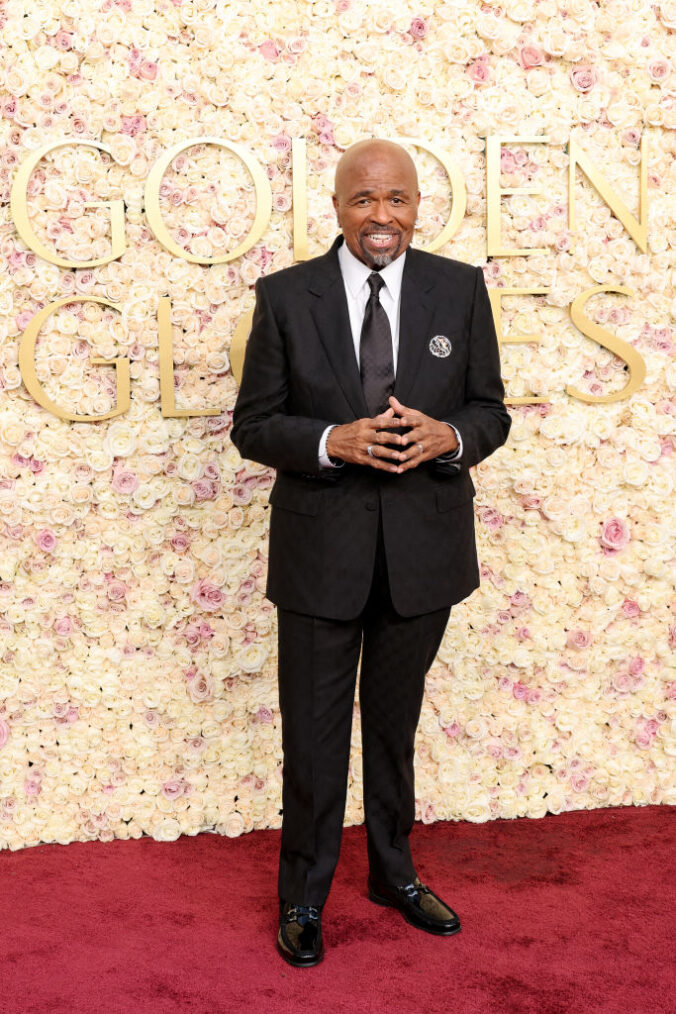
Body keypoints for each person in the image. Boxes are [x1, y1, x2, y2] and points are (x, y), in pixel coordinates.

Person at [231, 139, 511, 967]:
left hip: (424, 557)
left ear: (418, 205)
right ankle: (304, 897)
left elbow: (490, 409)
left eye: (397, 200)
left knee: (394, 728)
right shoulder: (286, 298)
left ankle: (393, 873)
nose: (381, 217)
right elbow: (253, 425)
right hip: (321, 560)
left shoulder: (458, 289)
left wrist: (449, 435)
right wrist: (331, 440)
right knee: (313, 739)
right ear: (337, 207)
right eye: (363, 201)